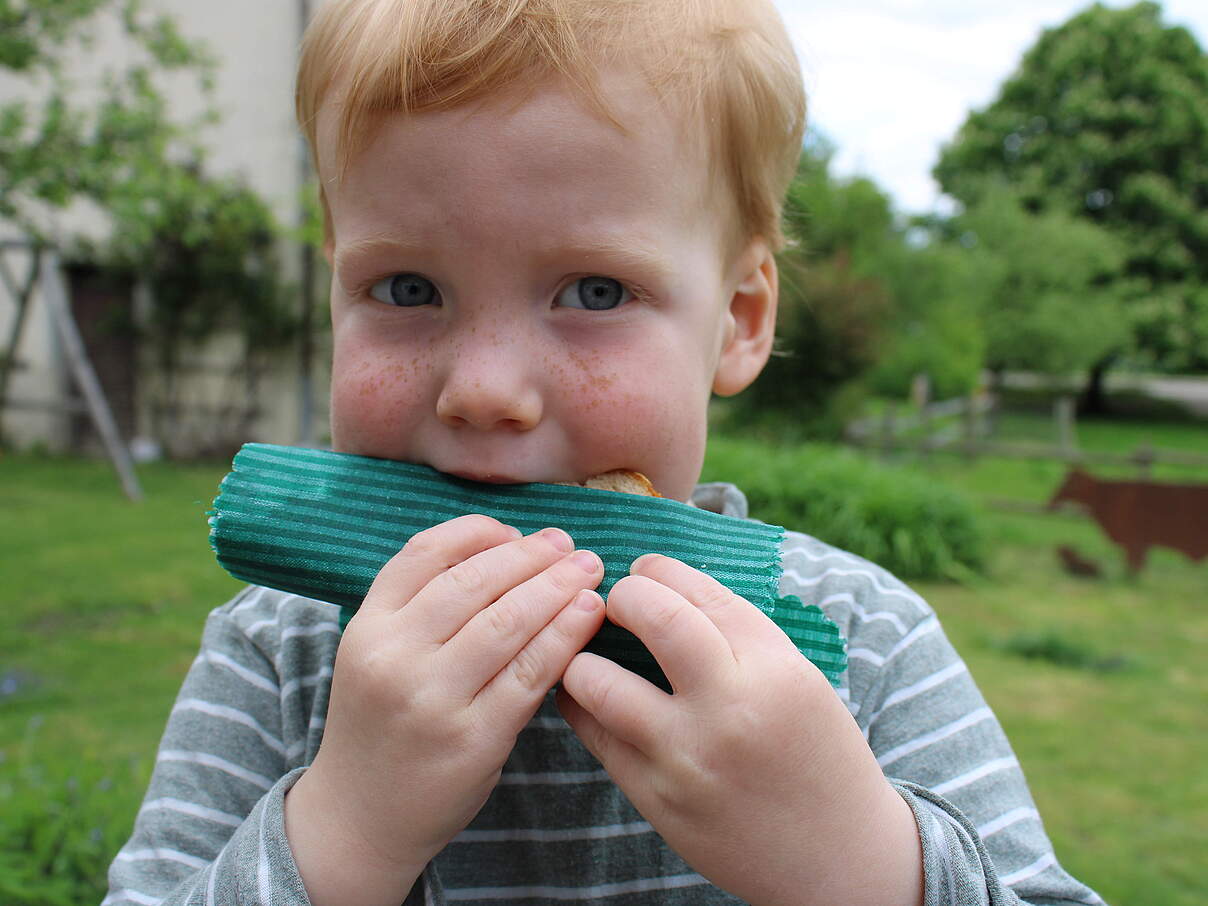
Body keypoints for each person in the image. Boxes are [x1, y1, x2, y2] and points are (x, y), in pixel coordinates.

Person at [105, 1, 1105, 904]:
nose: (483, 391)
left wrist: (858, 867)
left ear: (736, 322)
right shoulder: (282, 657)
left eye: (592, 292)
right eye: (407, 289)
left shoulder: (861, 646)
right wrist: (341, 829)